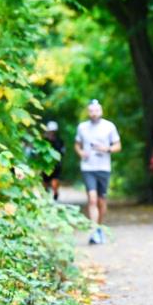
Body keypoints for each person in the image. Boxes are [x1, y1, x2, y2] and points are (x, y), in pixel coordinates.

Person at [74, 100, 121, 245]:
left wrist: (107, 149)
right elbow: (77, 145)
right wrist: (81, 153)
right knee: (92, 199)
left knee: (101, 201)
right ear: (88, 112)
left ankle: (99, 227)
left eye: (96, 111)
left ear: (101, 111)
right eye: (91, 111)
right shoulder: (82, 127)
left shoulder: (109, 126)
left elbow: (118, 146)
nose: (94, 113)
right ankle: (94, 231)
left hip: (103, 168)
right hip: (88, 168)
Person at [41, 121, 64, 201]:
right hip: (45, 164)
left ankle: (55, 194)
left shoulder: (59, 141)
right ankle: (45, 196)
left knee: (55, 180)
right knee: (45, 181)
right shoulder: (44, 141)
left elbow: (61, 153)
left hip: (56, 165)